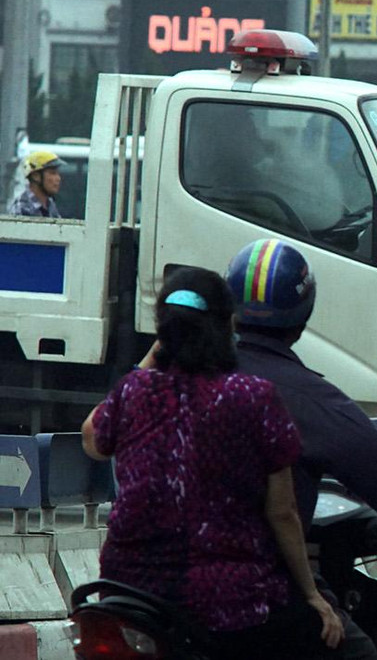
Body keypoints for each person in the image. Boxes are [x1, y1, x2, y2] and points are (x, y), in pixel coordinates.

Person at [80, 267, 344, 659]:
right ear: (228, 325)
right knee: (352, 650)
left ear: (162, 331)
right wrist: (313, 595)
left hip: (128, 592)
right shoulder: (252, 397)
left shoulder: (134, 390)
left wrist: (156, 352)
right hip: (229, 603)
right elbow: (283, 512)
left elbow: (92, 440)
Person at [225, 239, 377, 659]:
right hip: (238, 585)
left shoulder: (160, 383)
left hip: (133, 578)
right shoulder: (292, 397)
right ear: (303, 313)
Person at [8, 150, 63, 217]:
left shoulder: (50, 204)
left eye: (58, 173)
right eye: (52, 173)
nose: (58, 178)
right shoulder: (22, 208)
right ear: (36, 176)